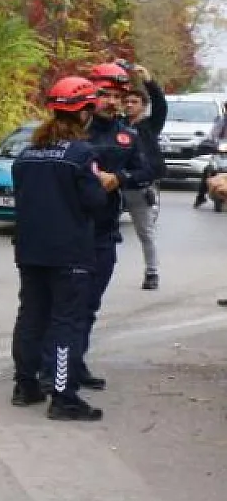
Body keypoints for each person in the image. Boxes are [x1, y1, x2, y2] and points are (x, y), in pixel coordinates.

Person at [10, 76, 113, 421]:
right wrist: (102, 184)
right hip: (70, 254)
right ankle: (63, 396)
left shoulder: (26, 155)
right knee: (65, 323)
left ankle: (25, 386)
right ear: (83, 112)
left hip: (29, 251)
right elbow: (96, 202)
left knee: (30, 317)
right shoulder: (82, 154)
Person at [76, 61, 153, 390]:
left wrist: (119, 178)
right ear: (92, 93)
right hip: (72, 230)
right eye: (104, 94)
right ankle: (48, 369)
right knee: (64, 306)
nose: (111, 101)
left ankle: (75, 363)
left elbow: (148, 171)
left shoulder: (128, 134)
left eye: (117, 95)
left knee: (90, 305)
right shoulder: (73, 130)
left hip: (105, 232)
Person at [119, 63, 165, 290]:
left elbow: (161, 105)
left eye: (134, 102)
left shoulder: (150, 126)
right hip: (115, 185)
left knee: (145, 232)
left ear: (144, 106)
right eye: (126, 101)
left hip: (140, 186)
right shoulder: (117, 127)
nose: (129, 105)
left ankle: (152, 272)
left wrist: (148, 81)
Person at [193, 102, 227, 208]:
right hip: (222, 154)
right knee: (208, 169)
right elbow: (213, 135)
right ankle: (201, 197)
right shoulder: (221, 121)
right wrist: (211, 142)